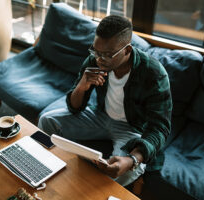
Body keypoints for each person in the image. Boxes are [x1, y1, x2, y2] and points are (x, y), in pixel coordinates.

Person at [38, 15, 172, 186]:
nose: (100, 59)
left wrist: (132, 159)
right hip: (100, 116)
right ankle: (50, 172)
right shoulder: (95, 60)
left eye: (108, 54)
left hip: (131, 128)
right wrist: (81, 86)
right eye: (96, 51)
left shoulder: (153, 74)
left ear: (127, 50)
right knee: (47, 121)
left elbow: (160, 128)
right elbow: (74, 108)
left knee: (128, 170)